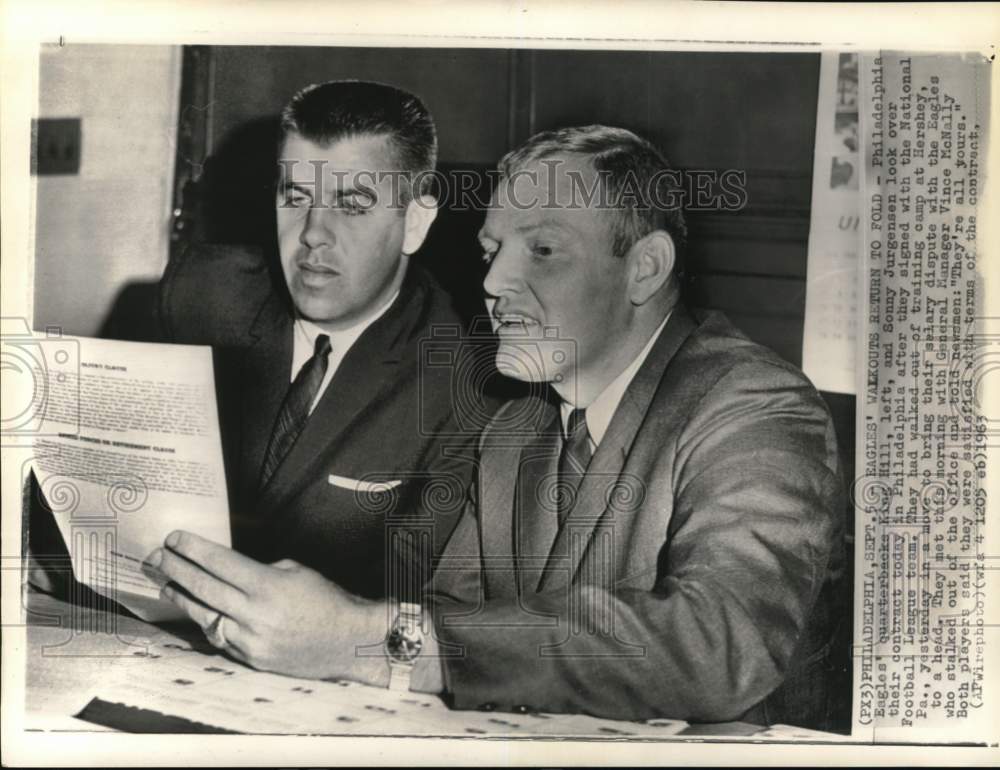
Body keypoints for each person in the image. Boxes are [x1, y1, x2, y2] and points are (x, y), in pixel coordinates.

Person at [153, 125, 847, 729]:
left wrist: (365, 638)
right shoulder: (515, 425)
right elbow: (455, 618)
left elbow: (717, 646)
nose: (493, 282)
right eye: (492, 251)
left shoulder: (754, 405)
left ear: (645, 268)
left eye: (542, 251)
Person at [149, 79, 486, 606]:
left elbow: (413, 603)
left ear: (415, 222)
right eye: (297, 197)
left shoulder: (464, 380)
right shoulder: (200, 297)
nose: (312, 234)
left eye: (351, 205)